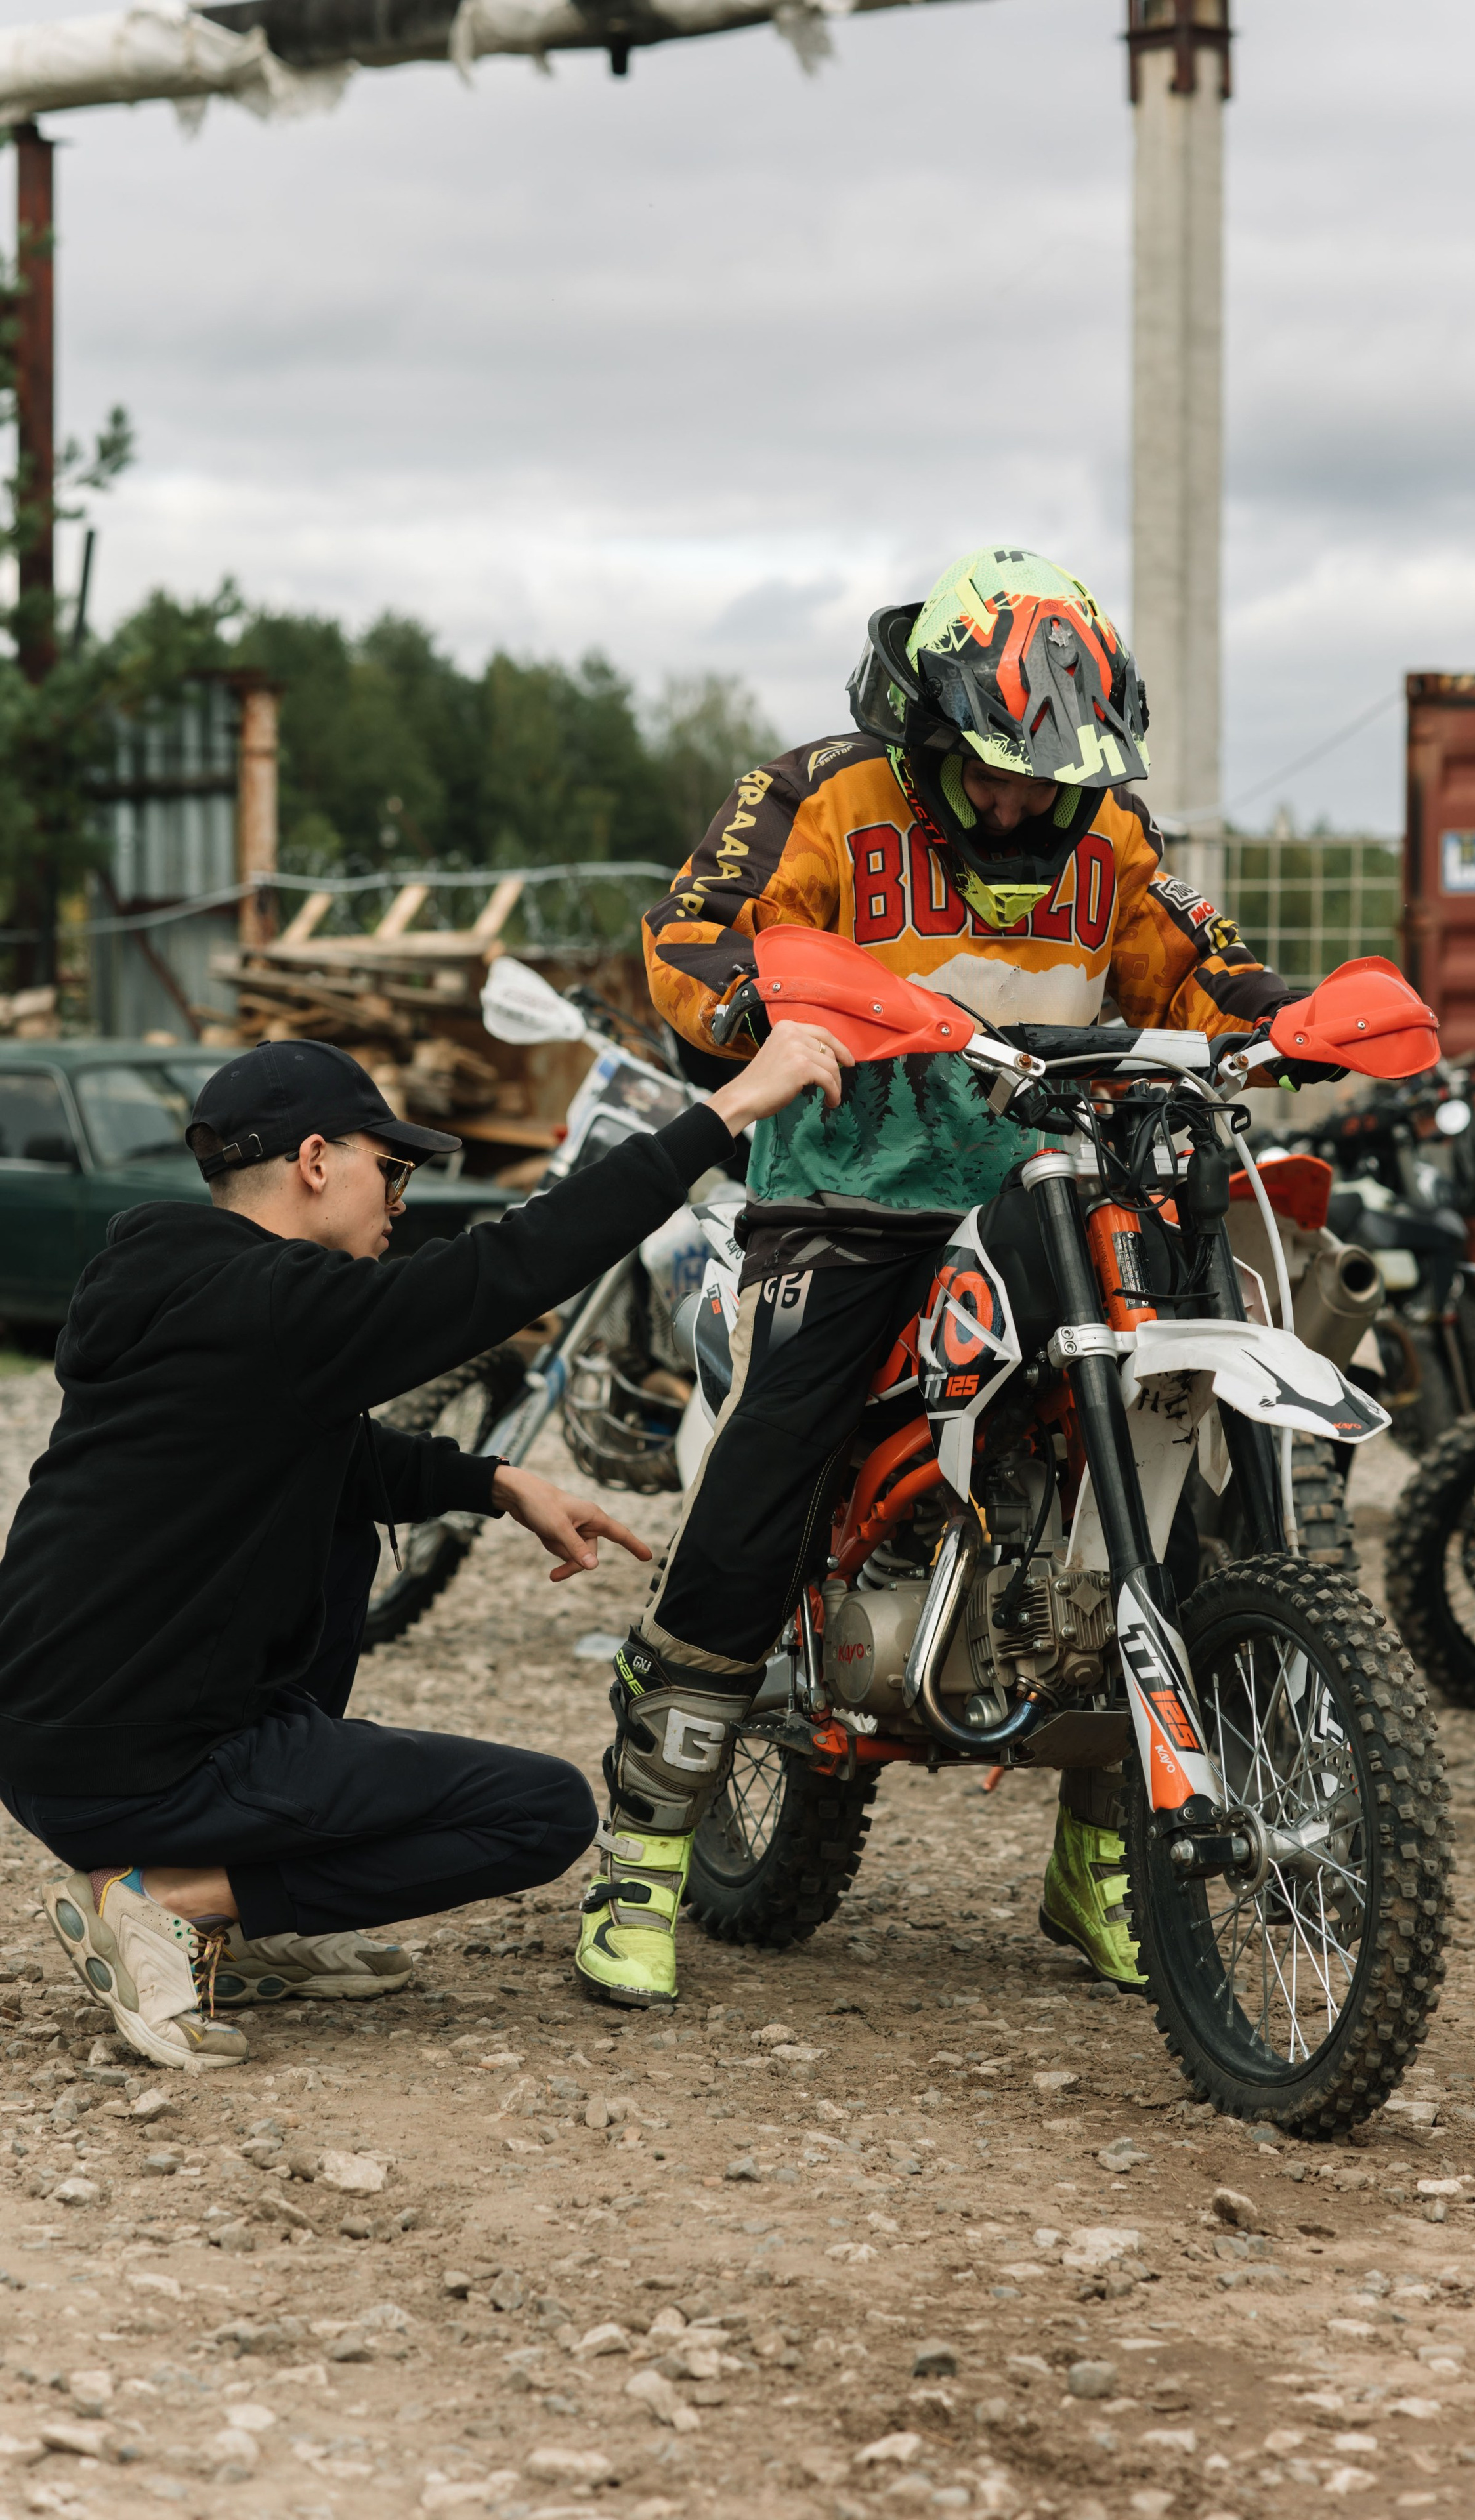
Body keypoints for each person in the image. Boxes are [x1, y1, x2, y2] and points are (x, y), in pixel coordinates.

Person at [576, 545, 1324, 2011]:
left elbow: (1194, 962)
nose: (1018, 804)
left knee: (1167, 1463)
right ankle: (641, 1853)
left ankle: (1109, 1854)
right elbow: (693, 926)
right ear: (920, 723)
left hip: (1048, 1183)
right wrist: (747, 996)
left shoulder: (1103, 828)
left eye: (1045, 781)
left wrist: (1293, 1017)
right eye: (990, 773)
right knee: (773, 1458)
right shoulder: (815, 791)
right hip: (848, 1192)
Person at [0, 1018, 846, 2068]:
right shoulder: (280, 1302)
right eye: (389, 1170)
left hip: (47, 1750)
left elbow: (326, 1452)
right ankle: (181, 1903)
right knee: (536, 1813)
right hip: (146, 1764)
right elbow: (508, 1268)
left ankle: (228, 1919)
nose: (400, 1204)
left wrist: (491, 1481)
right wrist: (724, 1112)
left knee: (338, 1506)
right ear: (315, 1162)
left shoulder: (175, 1283)